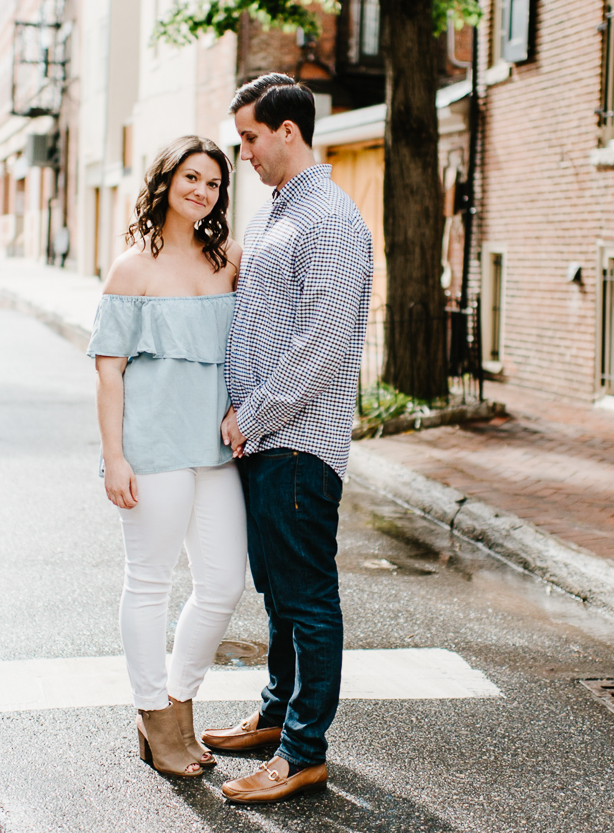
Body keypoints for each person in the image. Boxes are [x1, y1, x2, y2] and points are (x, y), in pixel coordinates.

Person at [207, 74, 374, 804]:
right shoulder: (280, 212)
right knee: (280, 595)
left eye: (248, 137)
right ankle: (278, 716)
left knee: (308, 599)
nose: (241, 152)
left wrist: (254, 415)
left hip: (298, 442)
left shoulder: (329, 220)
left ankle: (304, 750)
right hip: (270, 442)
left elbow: (322, 345)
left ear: (287, 131)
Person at [87, 135, 246, 779]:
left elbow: (251, 345)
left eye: (212, 184)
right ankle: (152, 712)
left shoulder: (229, 258)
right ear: (166, 182)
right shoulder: (133, 268)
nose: (202, 192)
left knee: (223, 584)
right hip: (151, 449)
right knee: (149, 583)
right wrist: (113, 457)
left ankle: (177, 701)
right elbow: (108, 373)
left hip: (214, 448)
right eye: (192, 178)